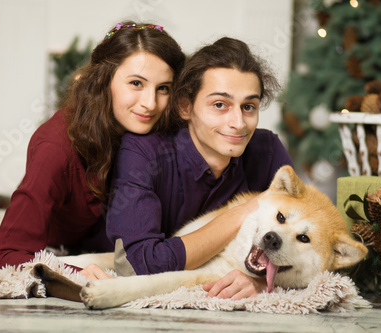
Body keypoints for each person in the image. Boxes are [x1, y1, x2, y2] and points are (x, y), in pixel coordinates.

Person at [0, 21, 186, 277]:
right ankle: (8, 200)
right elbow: (3, 255)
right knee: (25, 202)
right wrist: (73, 271)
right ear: (104, 80)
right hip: (71, 236)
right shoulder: (55, 147)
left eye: (163, 88)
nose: (150, 103)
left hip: (115, 233)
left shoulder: (164, 129)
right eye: (136, 83)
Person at [105, 37, 293, 300]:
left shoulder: (268, 150)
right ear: (185, 106)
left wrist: (263, 284)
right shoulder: (142, 152)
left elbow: (309, 245)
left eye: (248, 107)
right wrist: (243, 212)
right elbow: (138, 265)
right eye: (220, 105)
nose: (238, 123)